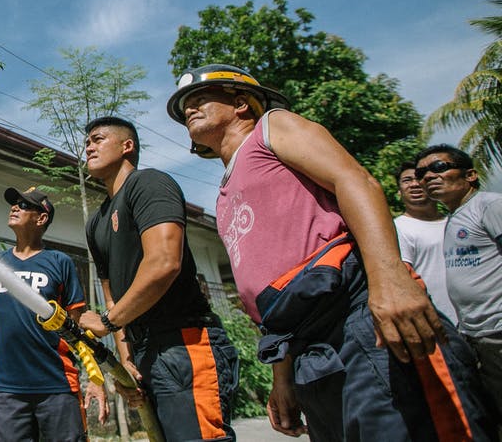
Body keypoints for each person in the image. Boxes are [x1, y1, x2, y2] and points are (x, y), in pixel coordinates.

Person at [167, 64, 493, 441]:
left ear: (241, 103)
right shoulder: (223, 198)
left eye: (200, 98)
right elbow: (268, 292)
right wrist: (282, 376)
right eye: (186, 105)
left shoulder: (273, 128)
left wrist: (391, 279)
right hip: (307, 349)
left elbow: (355, 179)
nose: (189, 108)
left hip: (357, 318)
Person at [75, 116, 238, 442]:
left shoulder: (148, 184)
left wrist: (108, 321)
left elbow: (164, 263)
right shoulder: (97, 223)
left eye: (97, 139)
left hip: (184, 343)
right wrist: (126, 365)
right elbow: (112, 298)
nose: (88, 147)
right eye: (86, 143)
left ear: (127, 146)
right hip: (145, 351)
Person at [0, 187, 89, 442]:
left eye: (25, 205)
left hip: (56, 384)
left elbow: (77, 322)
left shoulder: (60, 262)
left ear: (42, 218)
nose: (15, 207)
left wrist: (95, 379)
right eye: (14, 204)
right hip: (7, 388)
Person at [416, 144, 502, 422]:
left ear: (471, 175)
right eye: (421, 173)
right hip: (477, 336)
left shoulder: (489, 205)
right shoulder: (453, 218)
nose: (428, 176)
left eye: (438, 167)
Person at [393, 161, 456, 322]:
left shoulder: (457, 222)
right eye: (407, 180)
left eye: (419, 178)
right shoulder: (396, 228)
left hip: (479, 323)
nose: (414, 184)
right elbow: (401, 281)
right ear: (399, 192)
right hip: (436, 322)